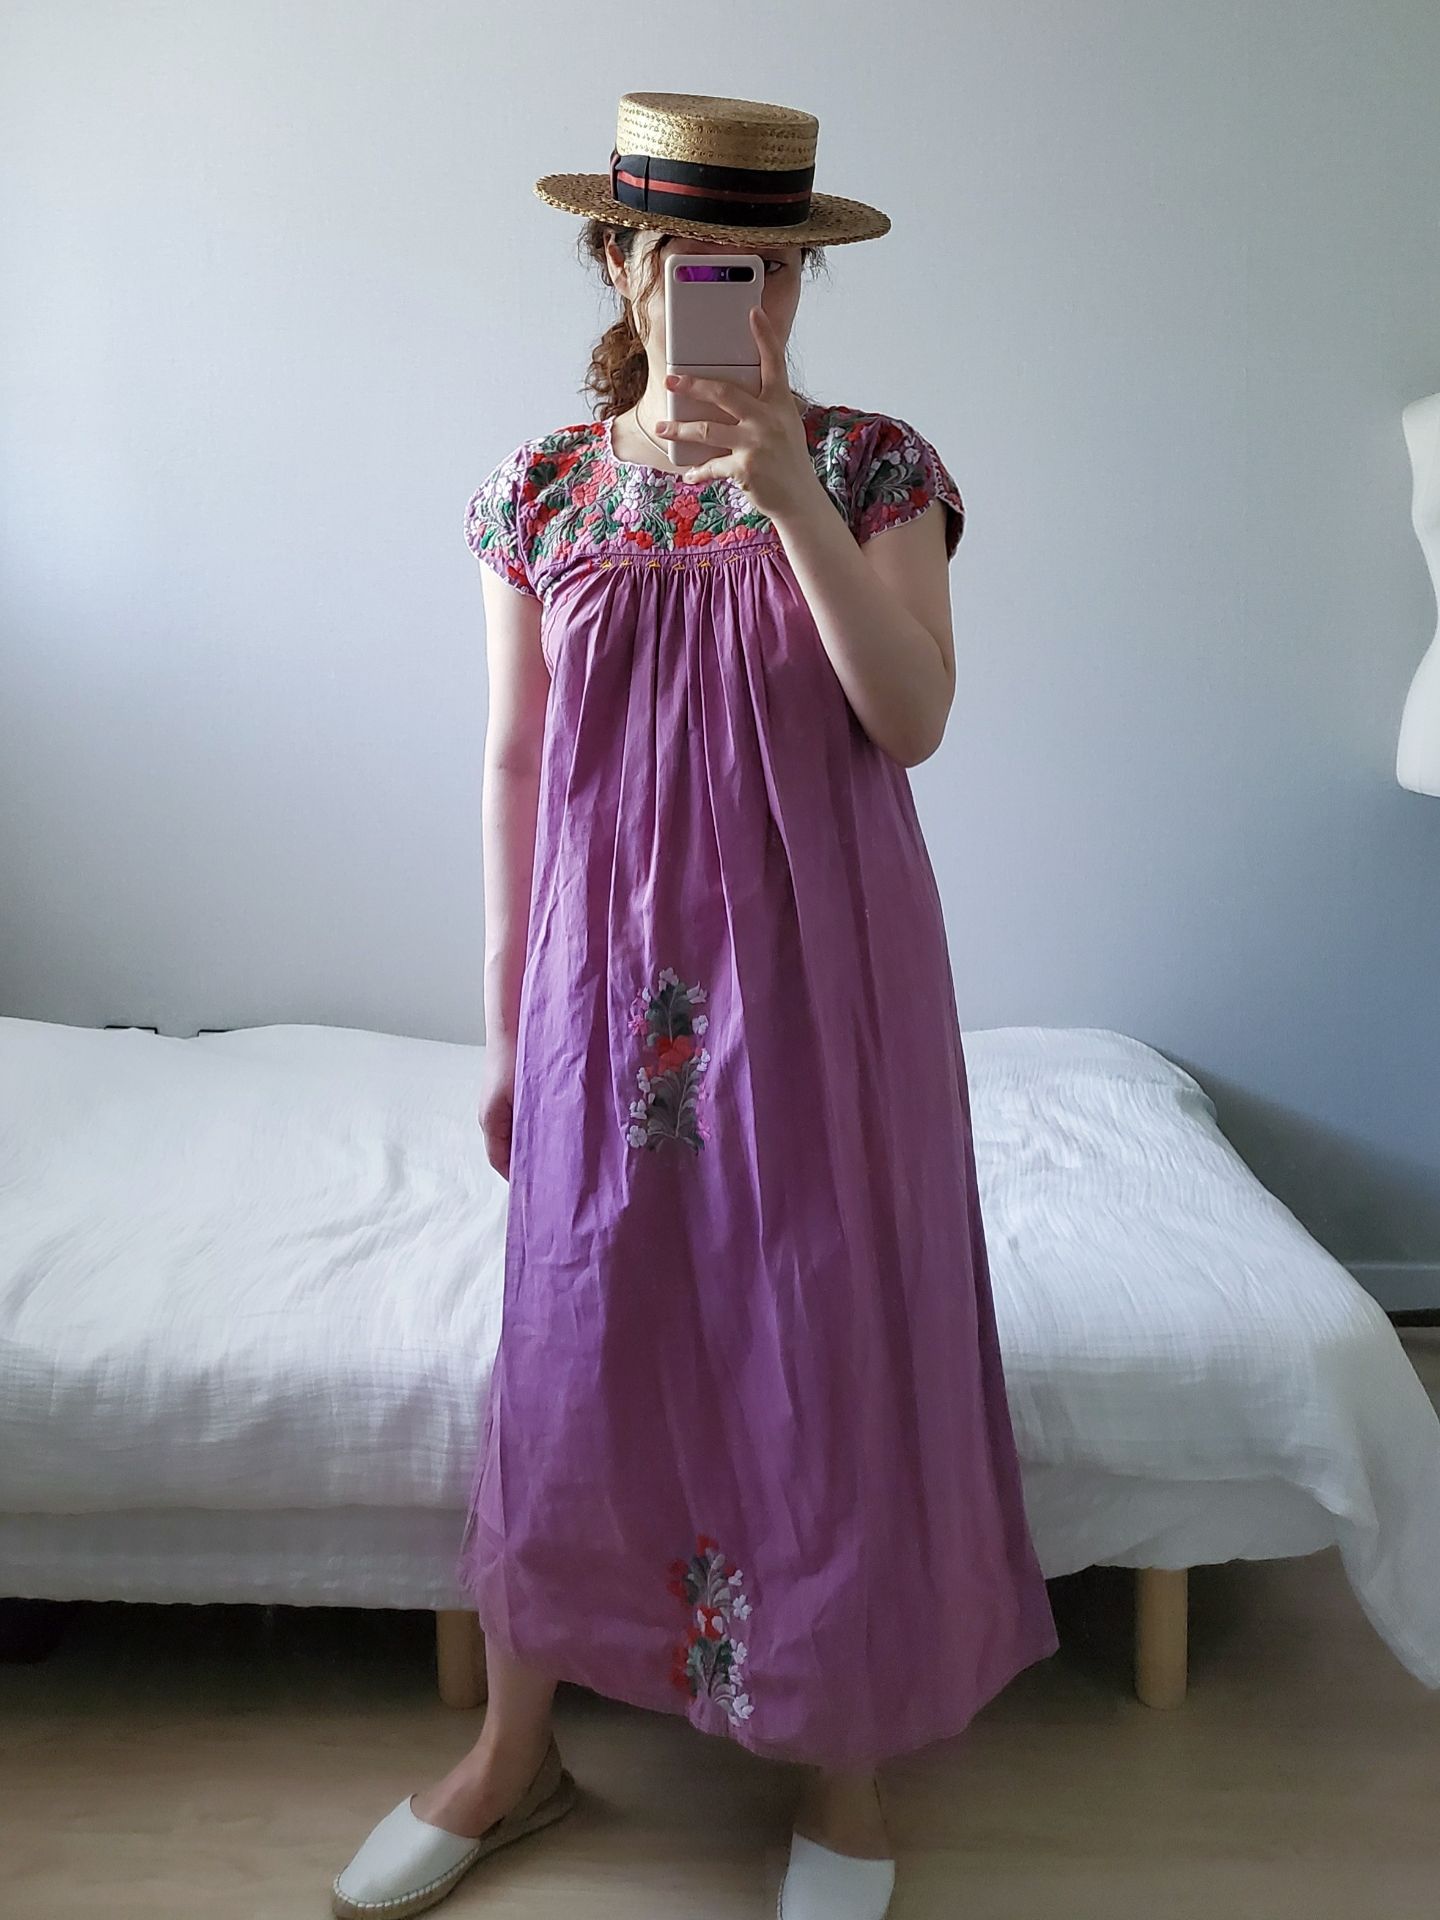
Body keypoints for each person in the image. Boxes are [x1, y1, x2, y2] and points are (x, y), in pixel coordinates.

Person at [332, 90, 1058, 1920]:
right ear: (622, 266)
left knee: (822, 1325)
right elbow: (517, 764)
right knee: (576, 1327)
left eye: (777, 271)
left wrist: (789, 494)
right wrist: (508, 1021)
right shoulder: (542, 489)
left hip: (827, 973)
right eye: (701, 263)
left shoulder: (875, 468)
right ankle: (517, 1751)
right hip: (608, 986)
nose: (749, 300)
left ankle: (844, 1767)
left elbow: (911, 718)